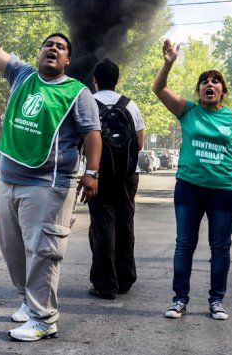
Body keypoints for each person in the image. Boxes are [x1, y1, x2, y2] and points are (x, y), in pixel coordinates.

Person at [0, 0, 101, 342]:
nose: (53, 48)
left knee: (44, 251)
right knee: (13, 250)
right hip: (10, 182)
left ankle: (44, 319)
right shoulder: (22, 75)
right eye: (49, 44)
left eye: (61, 47)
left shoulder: (77, 93)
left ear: (67, 60)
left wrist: (91, 173)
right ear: (39, 52)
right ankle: (29, 304)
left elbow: (93, 135)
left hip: (49, 185)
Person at [153, 39, 232, 321]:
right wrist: (168, 63)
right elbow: (159, 89)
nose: (209, 85)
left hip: (224, 192)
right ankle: (179, 299)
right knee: (184, 244)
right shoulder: (188, 110)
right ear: (199, 90)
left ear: (223, 91)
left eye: (215, 82)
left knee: (221, 247)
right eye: (204, 82)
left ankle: (216, 300)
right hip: (189, 188)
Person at [88, 58, 145, 299]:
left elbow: (84, 141)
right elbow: (140, 143)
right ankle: (125, 279)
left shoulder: (88, 102)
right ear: (117, 80)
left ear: (95, 81)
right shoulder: (130, 105)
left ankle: (105, 284)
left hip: (99, 176)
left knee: (102, 227)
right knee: (125, 225)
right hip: (127, 175)